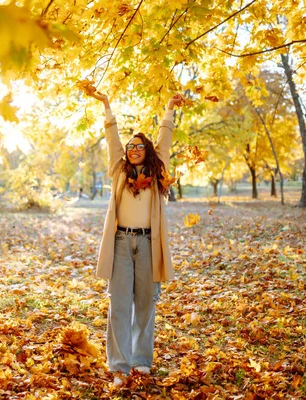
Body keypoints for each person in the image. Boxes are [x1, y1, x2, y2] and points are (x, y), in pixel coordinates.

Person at [86, 90, 184, 387]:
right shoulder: (119, 171)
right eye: (131, 146)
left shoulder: (156, 172)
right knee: (119, 304)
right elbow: (112, 139)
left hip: (147, 244)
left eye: (139, 145)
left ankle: (141, 361)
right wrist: (106, 106)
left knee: (145, 304)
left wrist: (169, 109)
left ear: (148, 150)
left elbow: (165, 140)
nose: (133, 149)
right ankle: (119, 365)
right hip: (120, 244)